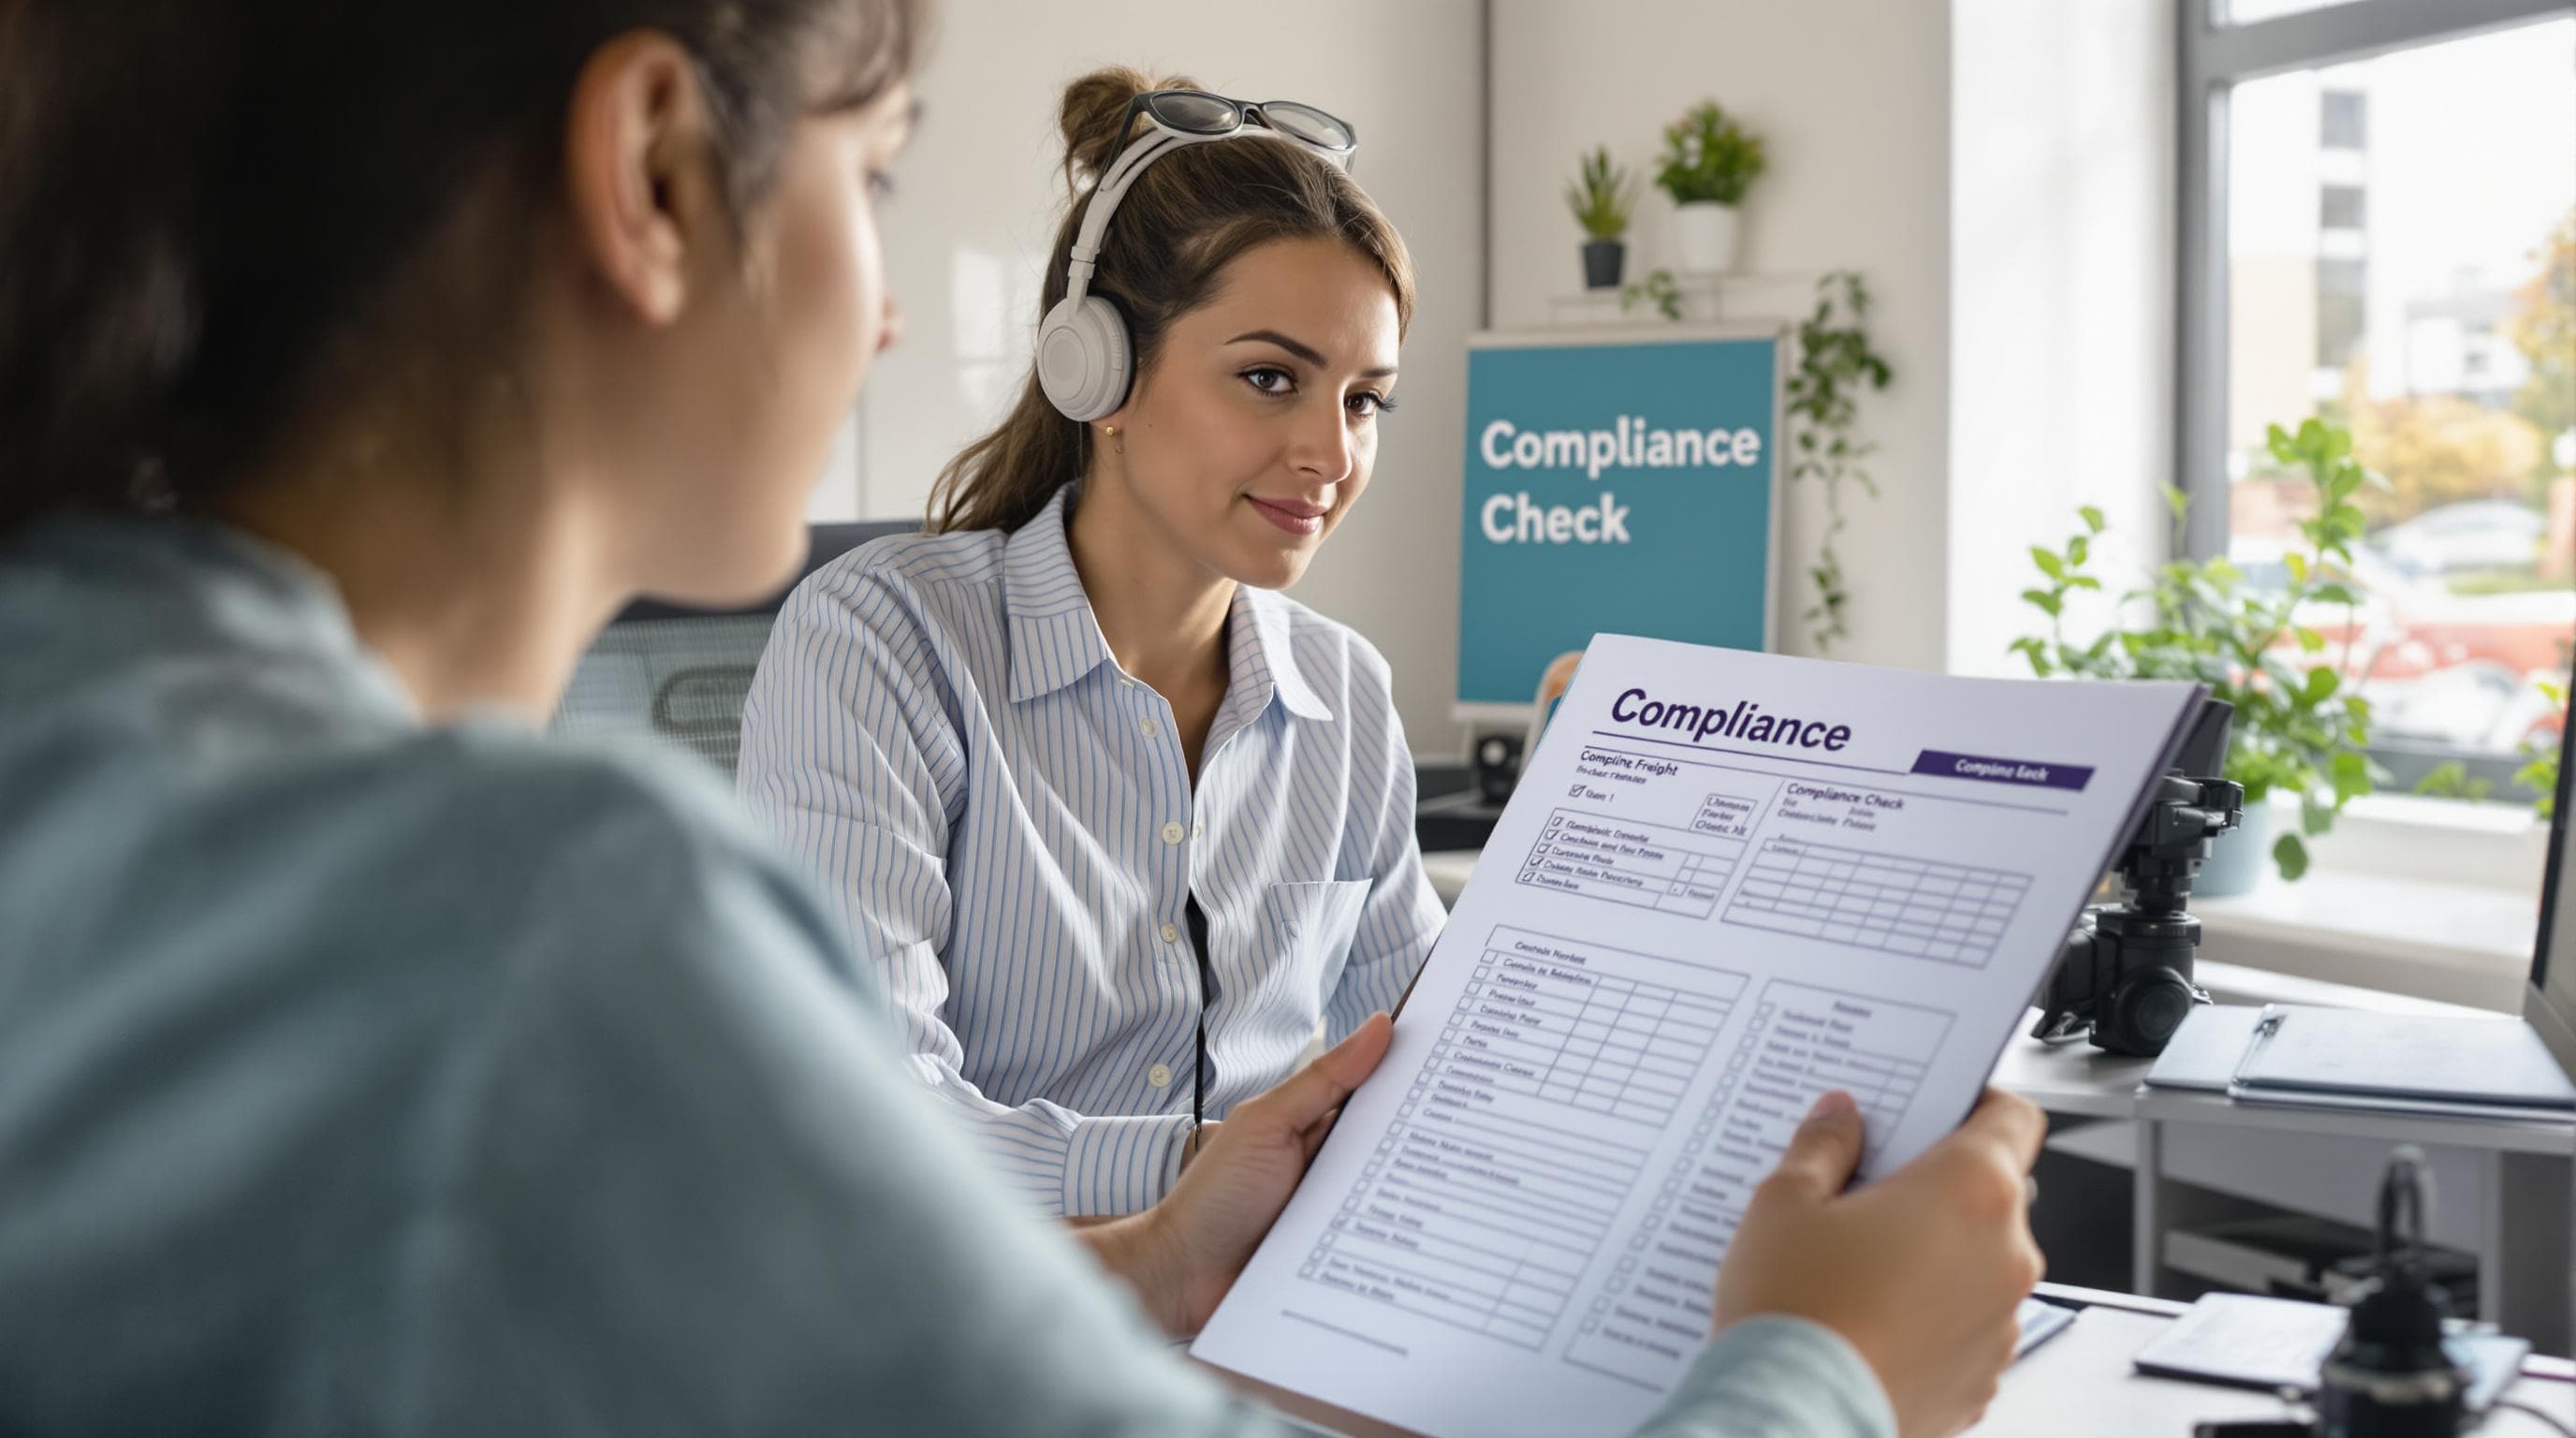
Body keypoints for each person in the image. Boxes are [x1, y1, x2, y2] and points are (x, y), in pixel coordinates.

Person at [0, 3, 2046, 1435]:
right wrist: (1832, 1373)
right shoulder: (553, 921)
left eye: (1363, 399)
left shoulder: (79, 737)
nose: (885, 304)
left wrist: (1153, 1257)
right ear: (648, 173)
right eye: (871, 176)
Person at [736, 67, 1448, 1219]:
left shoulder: (1347, 695)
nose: (1330, 452)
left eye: (1366, 400)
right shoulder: (884, 639)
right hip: (980, 1334)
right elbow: (857, 1103)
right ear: (1099, 372)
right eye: (1270, 380)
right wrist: (1196, 1177)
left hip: (1270, 1323)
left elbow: (1428, 1047)